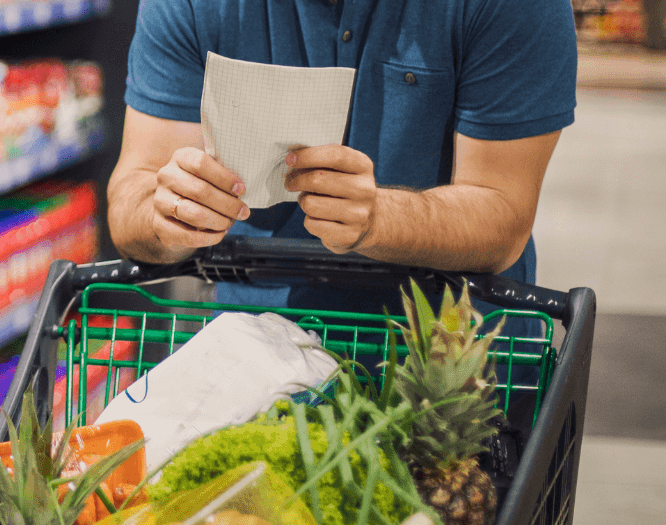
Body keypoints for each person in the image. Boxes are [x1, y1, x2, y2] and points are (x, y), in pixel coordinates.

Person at [107, 0, 579, 322]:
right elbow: (132, 196)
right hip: (253, 356)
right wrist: (166, 213)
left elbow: (503, 215)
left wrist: (379, 218)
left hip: (451, 366)